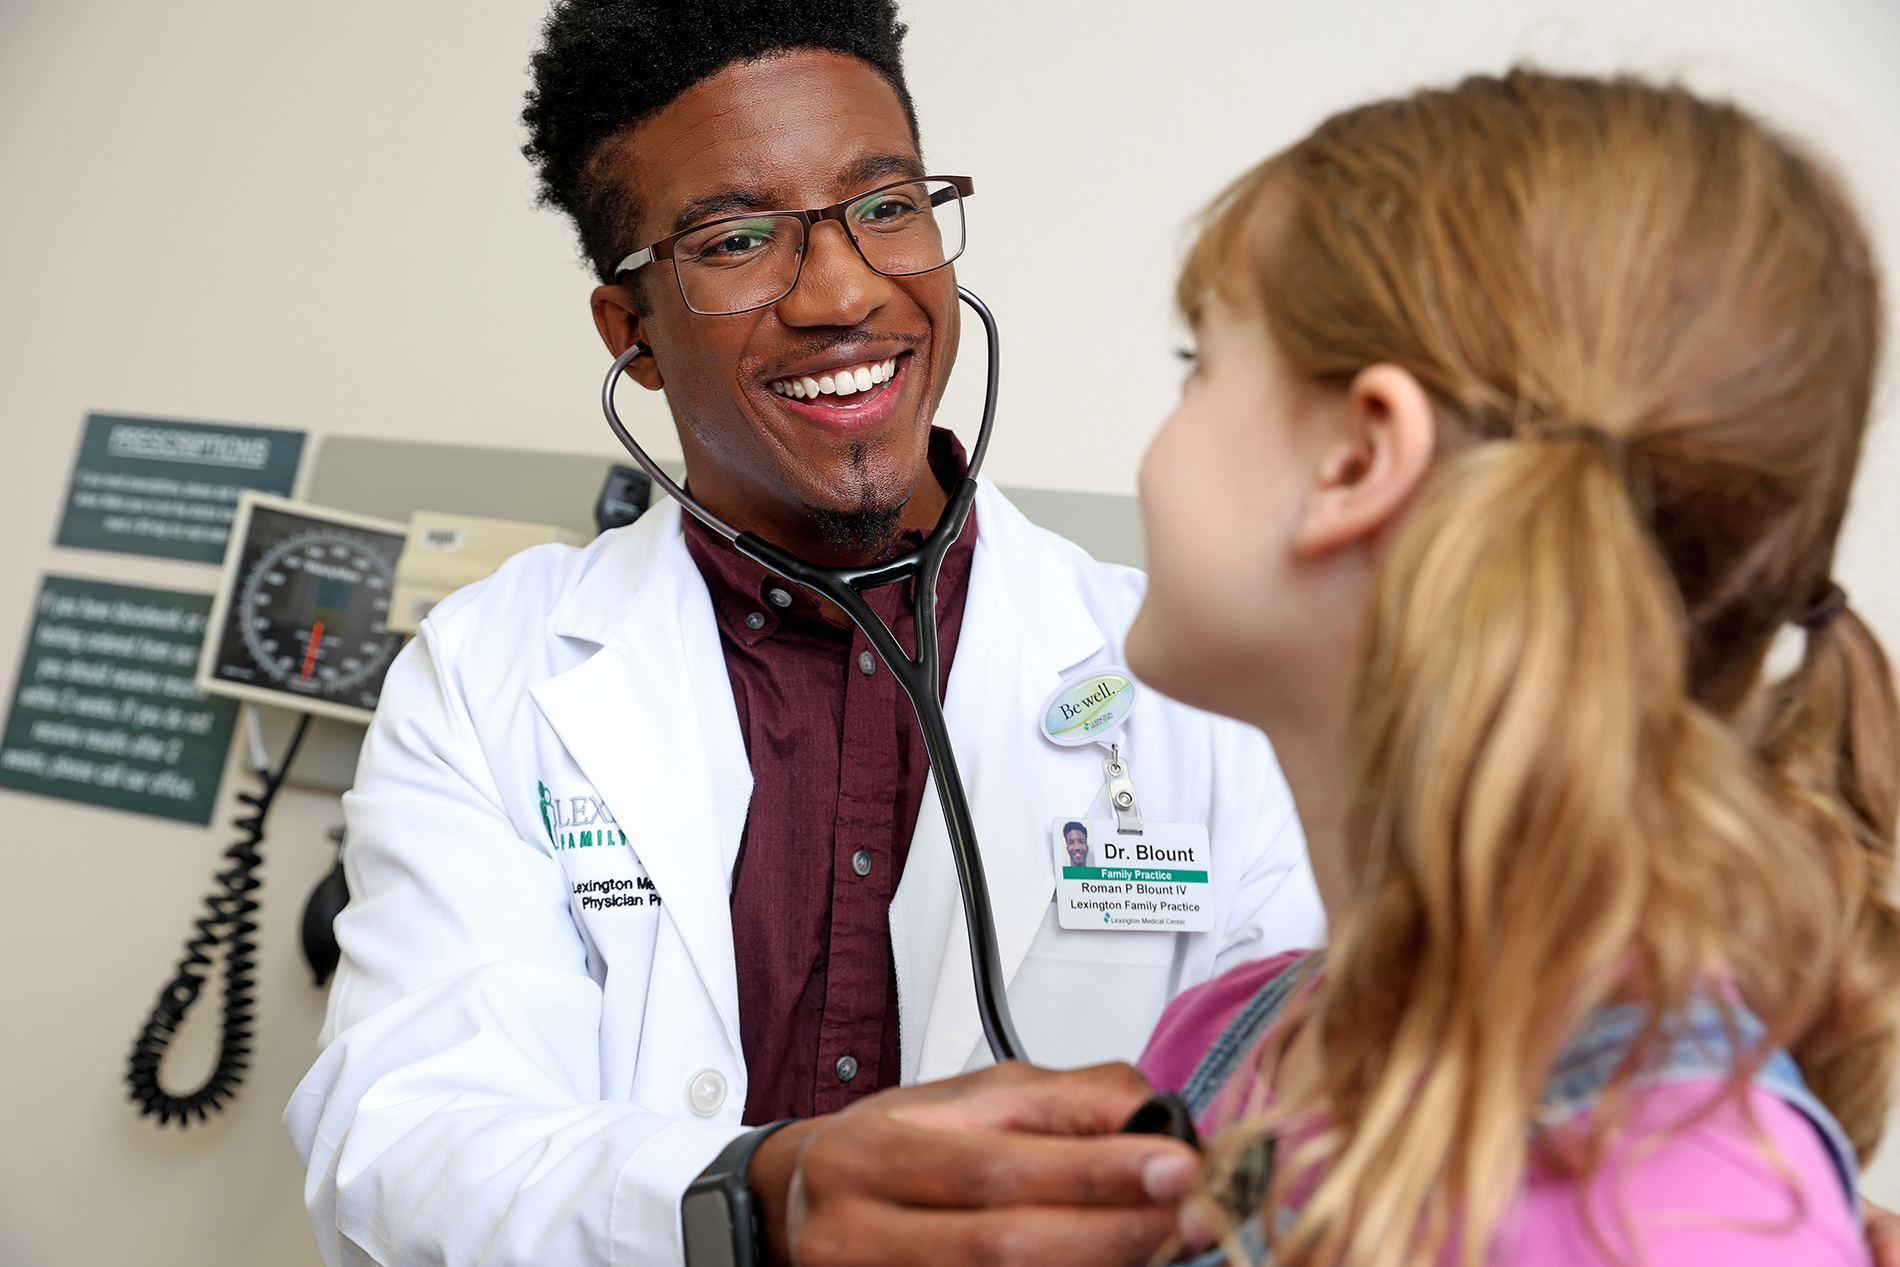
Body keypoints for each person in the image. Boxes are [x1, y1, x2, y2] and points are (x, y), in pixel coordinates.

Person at [283, 2, 1320, 1263]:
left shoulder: (1190, 675)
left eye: (887, 209)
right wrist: (756, 1197)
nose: (841, 291)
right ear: (636, 338)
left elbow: (1307, 1128)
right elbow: (400, 1144)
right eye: (737, 239)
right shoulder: (491, 671)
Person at [1124, 70, 1900, 1264]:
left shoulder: (1699, 1214)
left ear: (1356, 460)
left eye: (1200, 361)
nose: (1165, 428)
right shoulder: (1221, 1041)